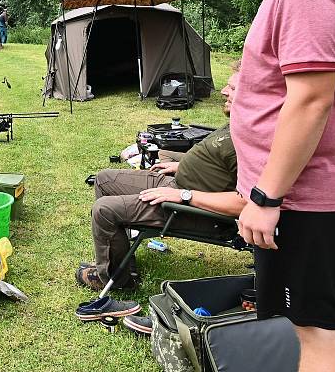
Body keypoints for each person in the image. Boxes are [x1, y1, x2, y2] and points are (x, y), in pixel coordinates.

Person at [217, 0, 335, 371]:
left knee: (317, 334)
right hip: (322, 192)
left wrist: (266, 197)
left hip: (305, 199)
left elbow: (313, 100)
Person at [76, 66, 243, 292]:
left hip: (190, 209)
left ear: (253, 93)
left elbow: (244, 204)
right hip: (176, 185)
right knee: (104, 179)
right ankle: (120, 261)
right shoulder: (239, 120)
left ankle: (117, 281)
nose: (223, 91)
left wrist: (183, 196)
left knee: (104, 210)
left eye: (232, 87)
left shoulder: (253, 140)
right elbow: (215, 161)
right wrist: (181, 165)